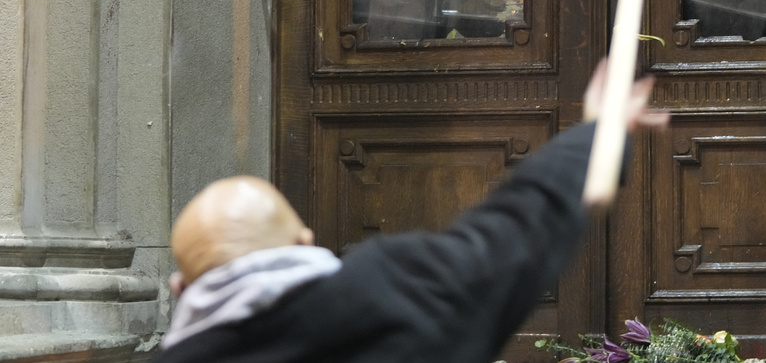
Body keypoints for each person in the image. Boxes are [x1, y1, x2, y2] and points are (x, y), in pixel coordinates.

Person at [153, 61, 668, 362]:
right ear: (304, 243)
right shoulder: (384, 294)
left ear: (182, 288)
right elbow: (513, 232)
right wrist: (598, 134)